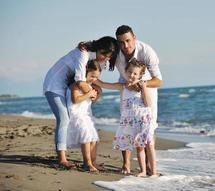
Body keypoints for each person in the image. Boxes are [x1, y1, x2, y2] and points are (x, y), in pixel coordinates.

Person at [79, 25, 163, 174]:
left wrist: (141, 84)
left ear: (134, 38)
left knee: (148, 130)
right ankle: (126, 165)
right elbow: (101, 48)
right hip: (125, 91)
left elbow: (158, 81)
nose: (125, 46)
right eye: (121, 42)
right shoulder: (117, 50)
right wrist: (86, 45)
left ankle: (149, 168)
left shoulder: (147, 52)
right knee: (127, 129)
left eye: (128, 41)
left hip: (146, 91)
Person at [43, 36, 118, 169]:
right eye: (105, 56)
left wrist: (98, 91)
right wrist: (93, 93)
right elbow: (79, 81)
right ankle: (62, 160)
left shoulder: (92, 58)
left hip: (66, 85)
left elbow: (91, 81)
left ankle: (90, 161)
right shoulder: (84, 55)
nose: (106, 59)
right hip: (54, 85)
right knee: (64, 118)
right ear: (99, 49)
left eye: (108, 57)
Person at [96, 59, 157, 176]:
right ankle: (143, 171)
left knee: (149, 145)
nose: (132, 75)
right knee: (139, 147)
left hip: (143, 120)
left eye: (135, 73)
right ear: (125, 72)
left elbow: (148, 104)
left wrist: (144, 88)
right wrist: (92, 78)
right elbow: (104, 84)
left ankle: (154, 171)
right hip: (131, 121)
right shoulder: (123, 87)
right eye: (129, 72)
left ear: (140, 75)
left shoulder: (141, 86)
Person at [66, 60, 102, 172]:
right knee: (86, 136)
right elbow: (75, 100)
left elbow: (91, 100)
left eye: (96, 77)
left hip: (87, 116)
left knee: (94, 138)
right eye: (92, 76)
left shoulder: (90, 86)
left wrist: (95, 95)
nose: (93, 79)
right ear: (85, 72)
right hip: (76, 115)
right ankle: (87, 163)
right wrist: (89, 94)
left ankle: (93, 162)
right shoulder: (75, 85)